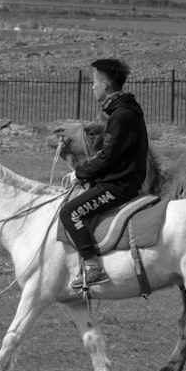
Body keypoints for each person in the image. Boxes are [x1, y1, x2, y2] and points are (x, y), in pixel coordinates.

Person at [59, 58, 150, 290]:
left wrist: (79, 174)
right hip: (123, 179)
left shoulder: (121, 115)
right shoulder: (124, 111)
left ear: (106, 85)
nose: (92, 87)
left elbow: (108, 157)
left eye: (94, 83)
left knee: (70, 212)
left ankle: (93, 267)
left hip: (119, 185)